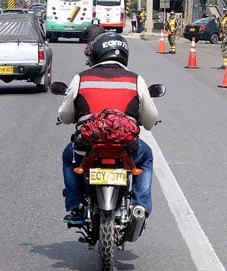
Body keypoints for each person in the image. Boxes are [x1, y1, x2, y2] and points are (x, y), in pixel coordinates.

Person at [58, 32, 160, 224]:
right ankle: (140, 205)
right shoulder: (135, 80)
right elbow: (150, 120)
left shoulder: (81, 78)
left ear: (95, 54)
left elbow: (65, 117)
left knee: (68, 157)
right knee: (146, 157)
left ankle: (75, 206)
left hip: (87, 147)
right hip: (126, 148)